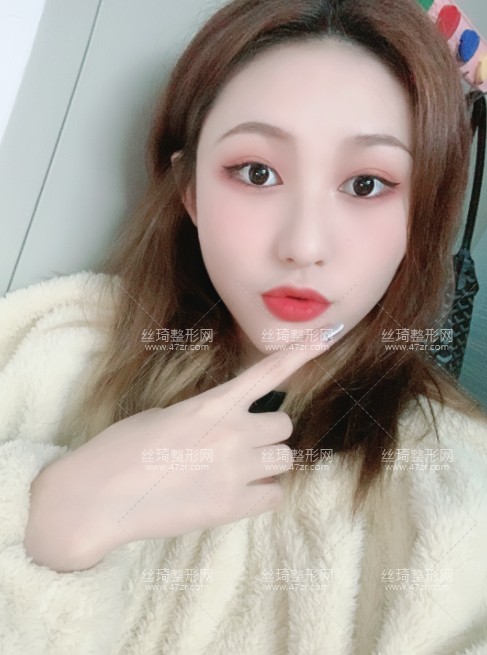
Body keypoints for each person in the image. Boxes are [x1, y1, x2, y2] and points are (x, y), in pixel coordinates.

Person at [1, 0, 486, 652]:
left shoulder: (457, 495)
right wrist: (53, 516)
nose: (304, 245)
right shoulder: (43, 357)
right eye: (257, 173)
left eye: (367, 184)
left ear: (419, 217)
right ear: (190, 190)